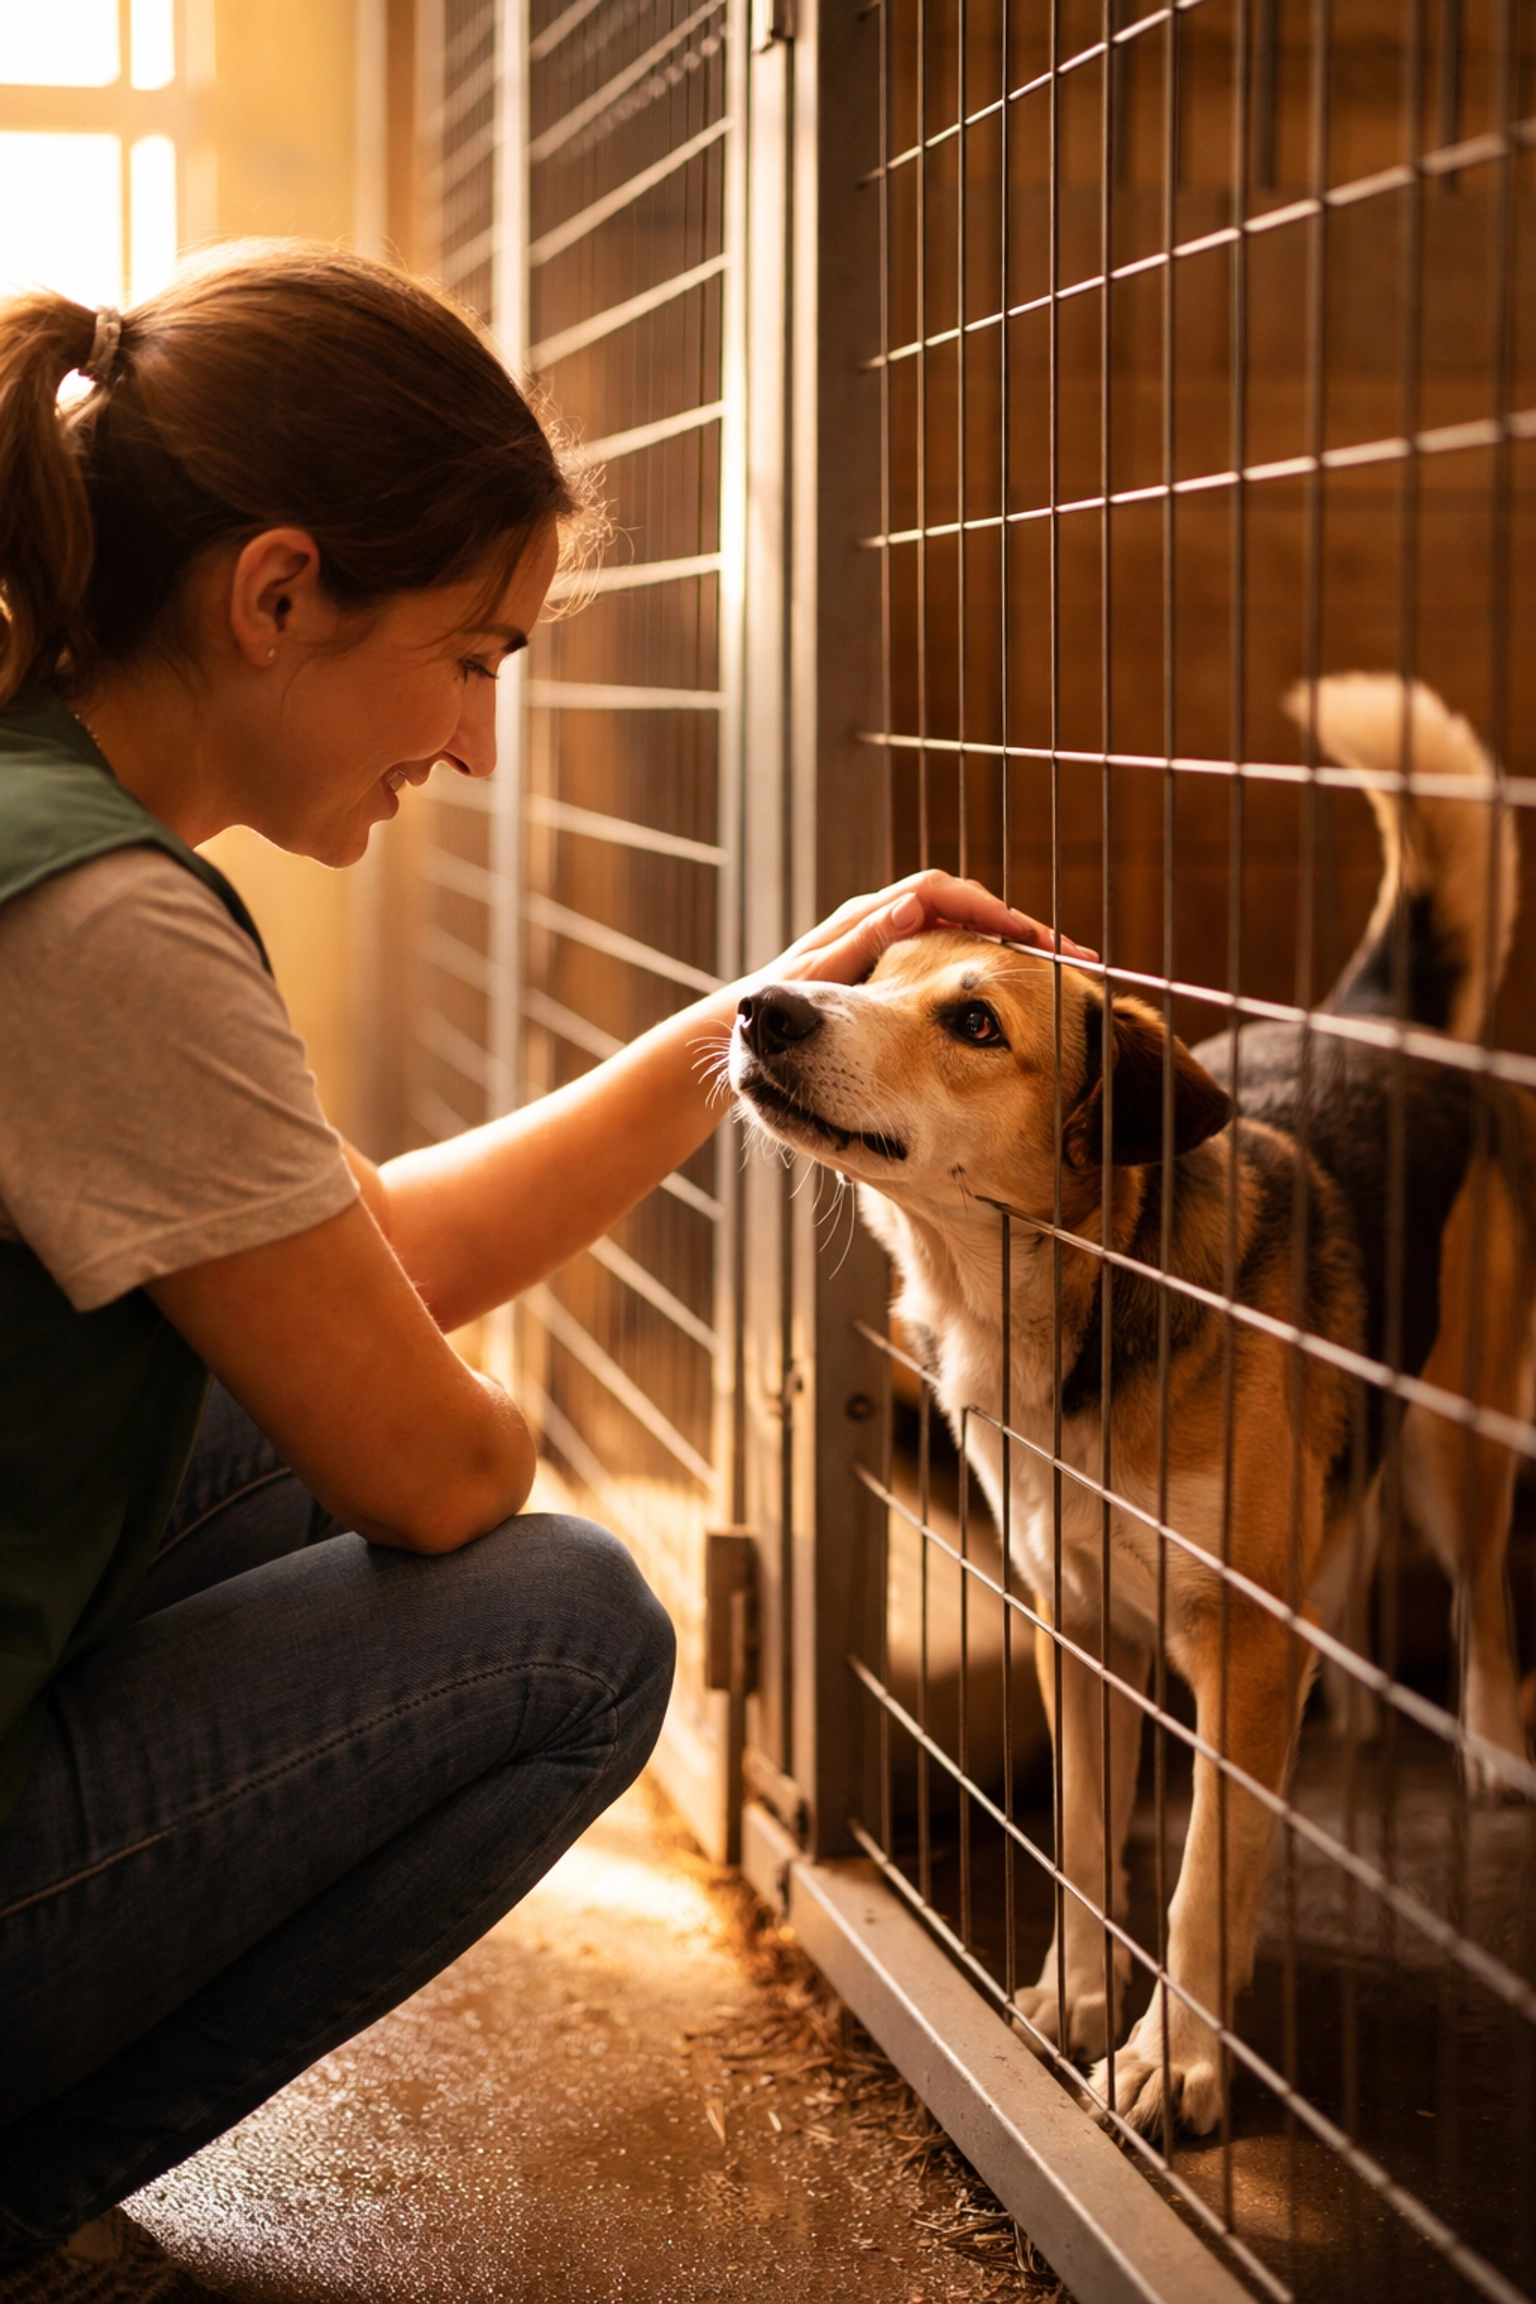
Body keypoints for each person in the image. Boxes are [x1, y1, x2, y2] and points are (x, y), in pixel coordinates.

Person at [0, 244, 1077, 2293]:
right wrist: (478, 1409)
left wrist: (749, 1026)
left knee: (258, 1391)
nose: (480, 745)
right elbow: (436, 1474)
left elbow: (363, 1253)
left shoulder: (36, 817)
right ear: (279, 594)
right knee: (567, 1622)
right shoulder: (110, 933)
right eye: (475, 658)